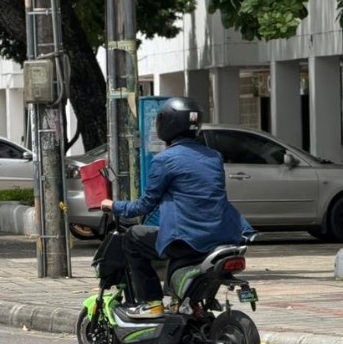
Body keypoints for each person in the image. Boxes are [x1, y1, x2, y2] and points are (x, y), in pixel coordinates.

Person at [100, 97, 247, 319]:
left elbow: (145, 205)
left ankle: (151, 302)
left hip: (189, 239)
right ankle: (182, 301)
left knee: (133, 237)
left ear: (166, 124)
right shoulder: (214, 156)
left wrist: (114, 206)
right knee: (163, 235)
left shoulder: (165, 160)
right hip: (222, 234)